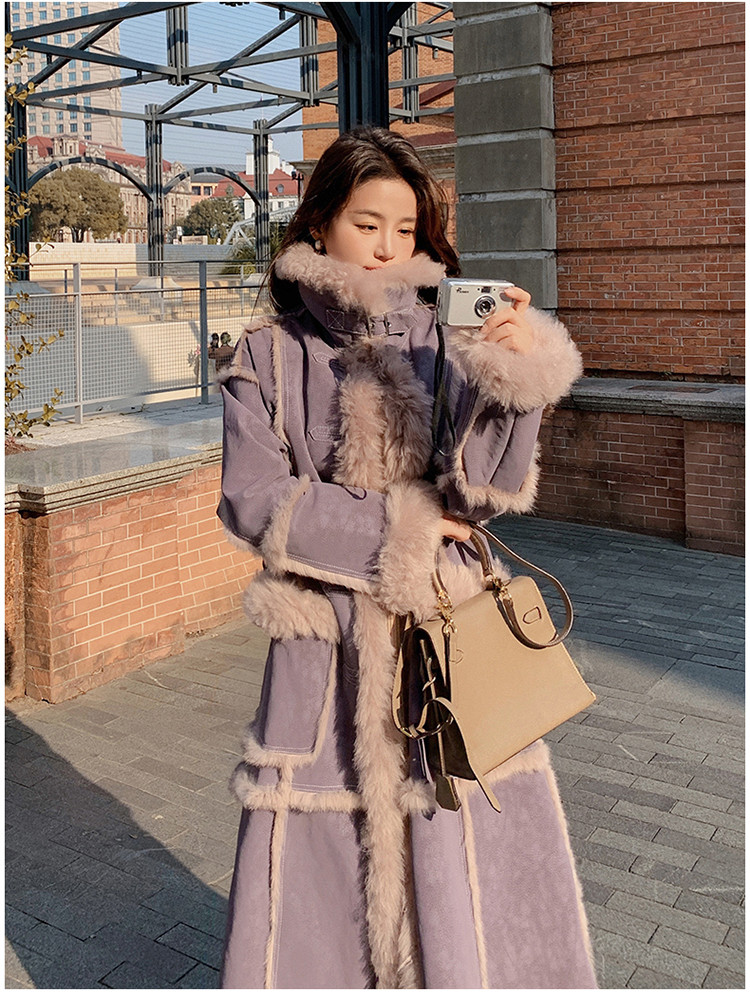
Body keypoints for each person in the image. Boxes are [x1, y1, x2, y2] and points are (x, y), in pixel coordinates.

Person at [217, 127, 597, 990]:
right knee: (321, 871)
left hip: (446, 633)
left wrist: (512, 377)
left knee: (458, 848)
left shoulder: (442, 336)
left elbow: (483, 493)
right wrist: (405, 524)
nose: (388, 247)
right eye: (367, 224)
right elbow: (253, 500)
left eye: (405, 228)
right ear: (319, 223)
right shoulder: (266, 354)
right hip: (327, 649)